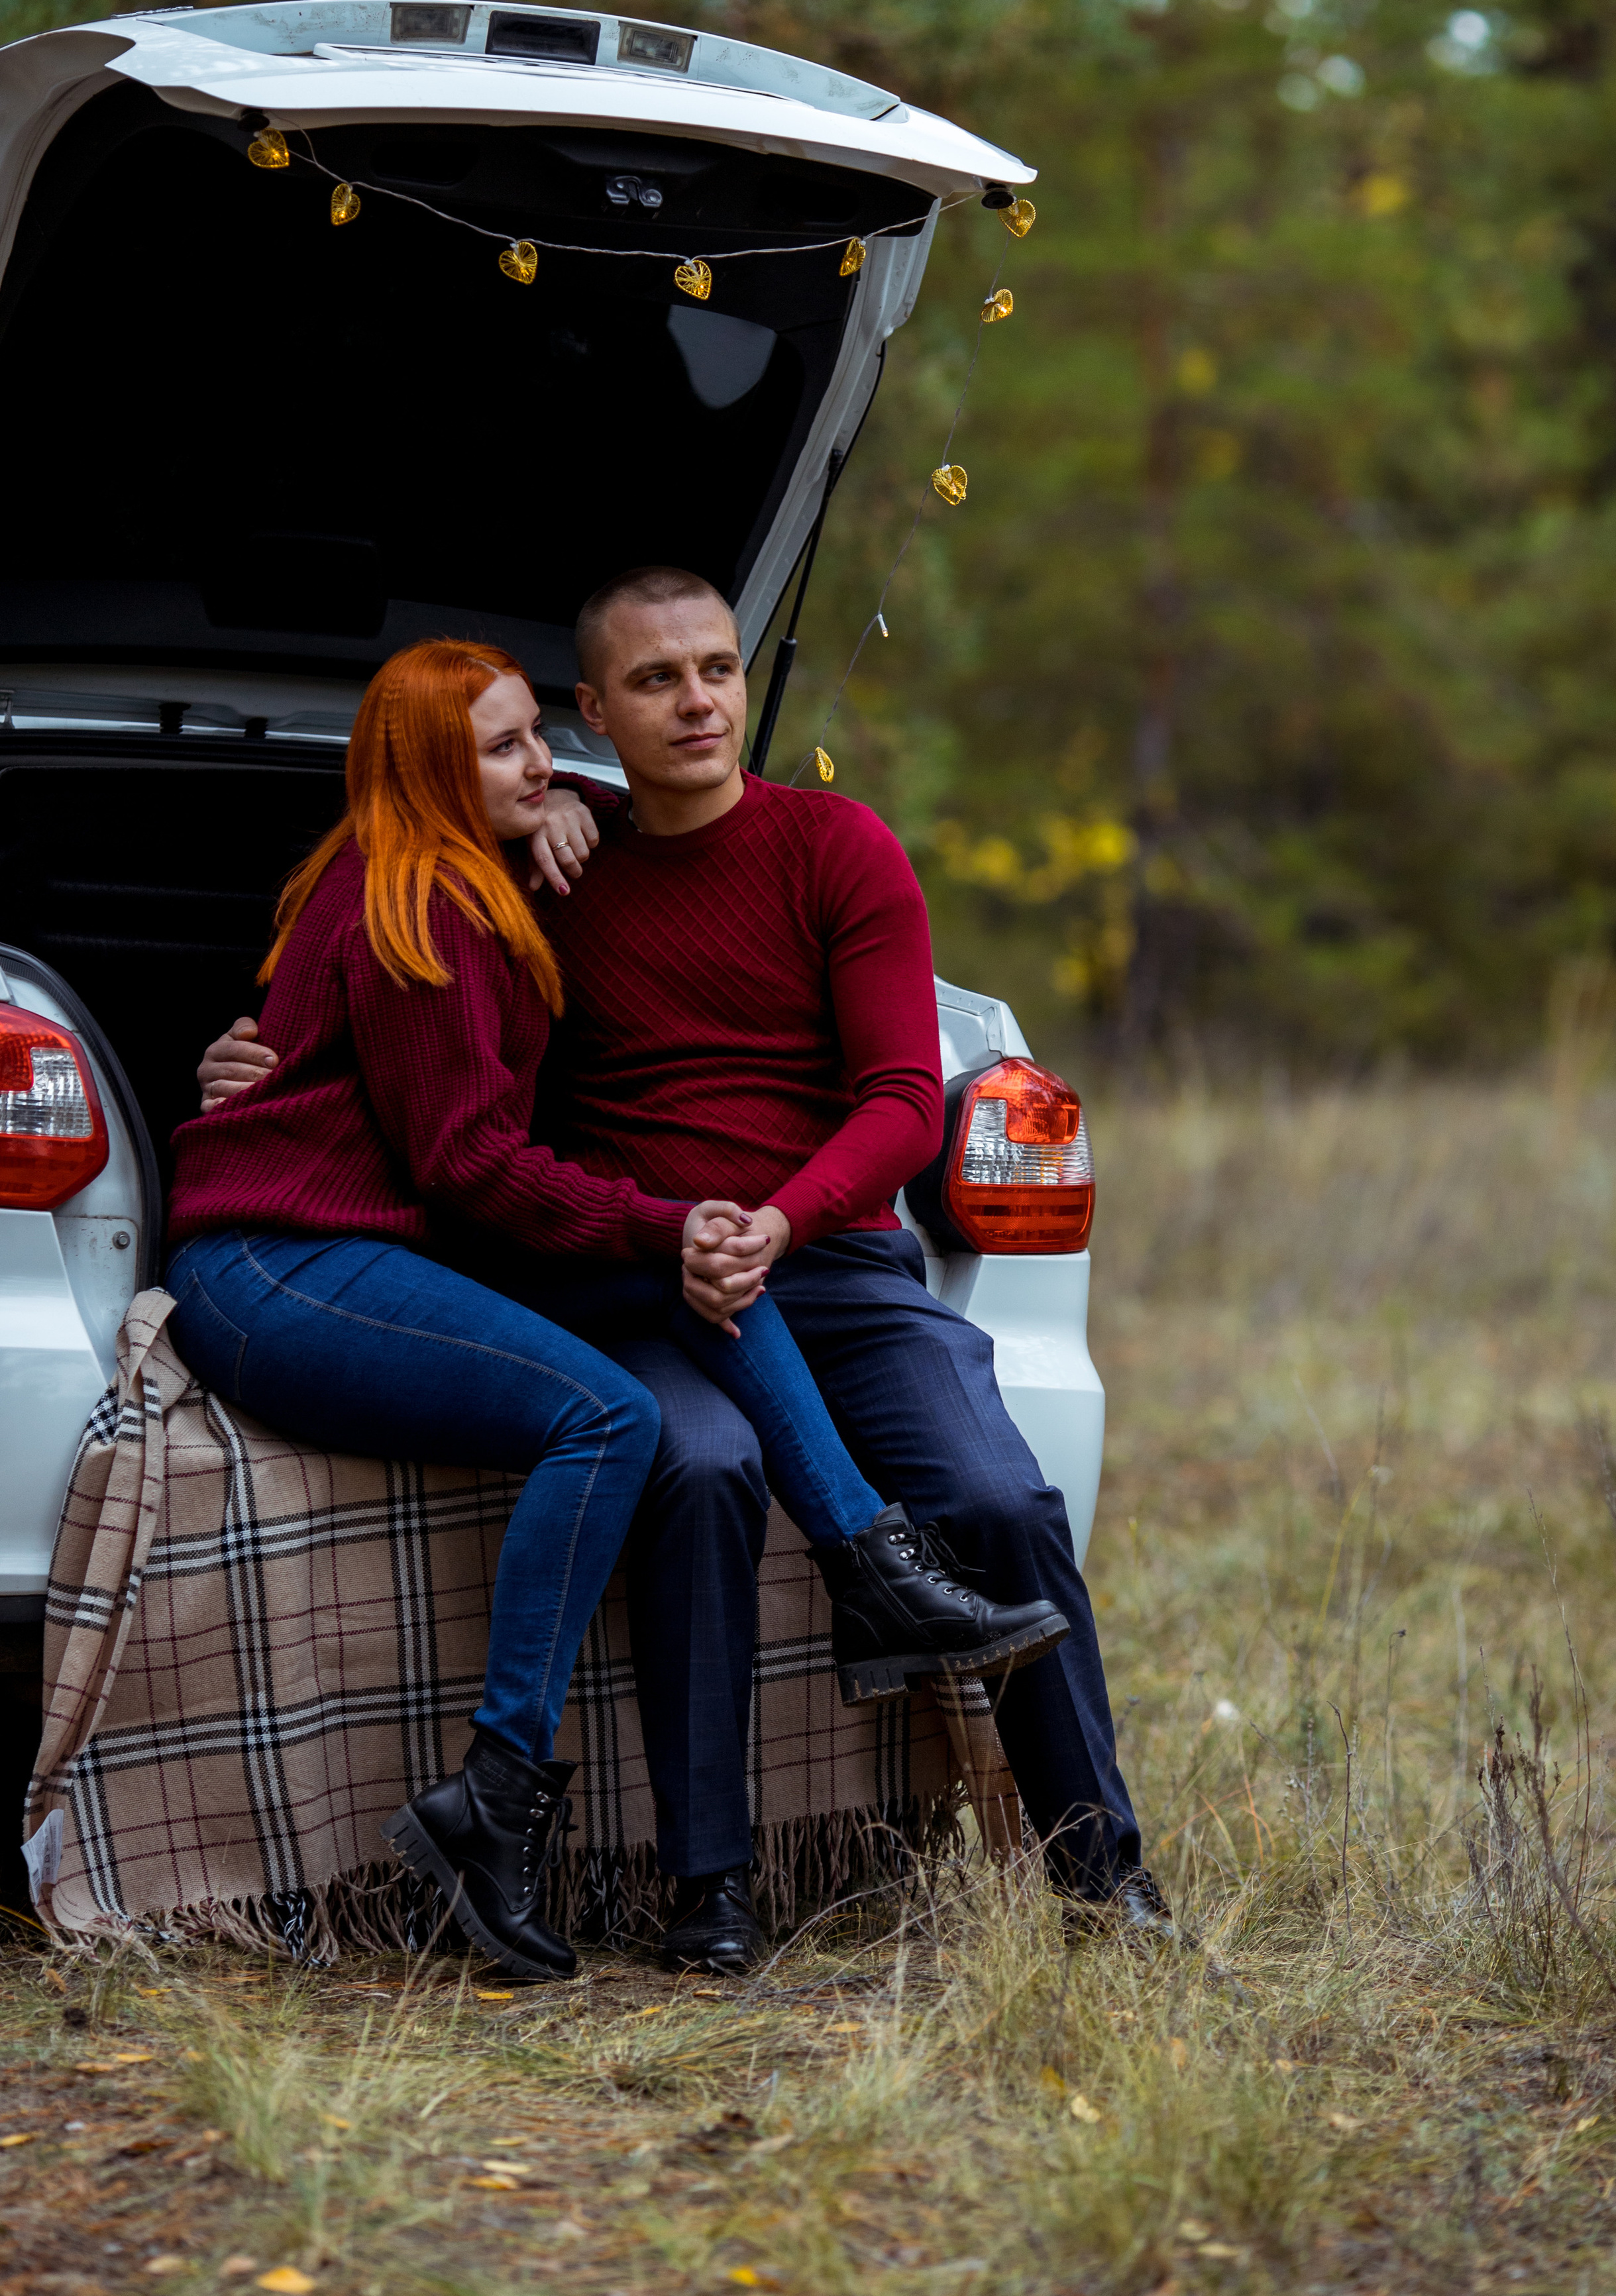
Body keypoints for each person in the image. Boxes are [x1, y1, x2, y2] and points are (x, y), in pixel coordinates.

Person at [201, 577, 1171, 1968]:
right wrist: (244, 1056)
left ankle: (1101, 1877)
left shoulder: (835, 846)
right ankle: (709, 1892)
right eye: (656, 681)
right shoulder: (536, 883)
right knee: (697, 1460)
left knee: (999, 1497)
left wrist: (774, 1223)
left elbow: (904, 1100)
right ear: (598, 712)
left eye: (717, 668)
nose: (700, 701)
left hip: (824, 1264)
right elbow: (406, 1054)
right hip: (654, 1271)